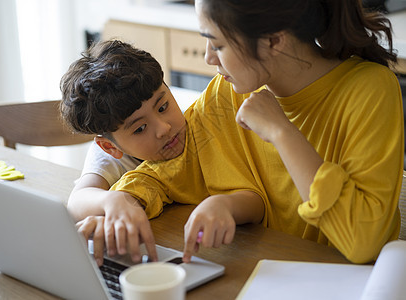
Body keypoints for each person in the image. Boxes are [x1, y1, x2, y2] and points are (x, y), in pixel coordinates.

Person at [191, 0, 403, 264]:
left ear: (273, 40)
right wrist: (124, 197)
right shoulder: (226, 91)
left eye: (218, 45)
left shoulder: (370, 90)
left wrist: (281, 132)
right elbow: (171, 161)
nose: (208, 58)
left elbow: (362, 242)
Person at [60, 39, 265, 266]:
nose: (164, 129)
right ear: (110, 147)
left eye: (163, 107)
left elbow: (257, 201)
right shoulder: (126, 165)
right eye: (140, 129)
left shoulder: (204, 126)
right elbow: (79, 201)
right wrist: (112, 205)